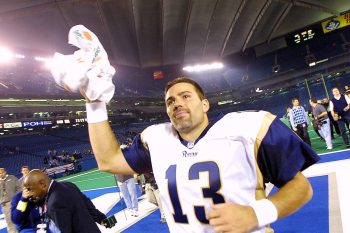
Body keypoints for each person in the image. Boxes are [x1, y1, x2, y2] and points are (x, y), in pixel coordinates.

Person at [80, 77, 319, 232]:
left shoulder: (246, 128)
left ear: (205, 104)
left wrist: (255, 214)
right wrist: (94, 103)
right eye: (170, 101)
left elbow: (302, 188)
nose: (177, 103)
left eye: (186, 96)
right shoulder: (157, 139)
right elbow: (107, 160)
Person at [23, 170, 108, 233]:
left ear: (42, 184)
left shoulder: (53, 203)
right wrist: (107, 222)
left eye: (30, 189)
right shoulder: (68, 185)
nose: (30, 194)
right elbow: (90, 208)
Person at [0, 168, 20, 233]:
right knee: (9, 221)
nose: (0, 174)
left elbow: (19, 188)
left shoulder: (12, 178)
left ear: (5, 172)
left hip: (14, 202)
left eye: (2, 173)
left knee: (18, 218)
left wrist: (16, 198)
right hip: (5, 204)